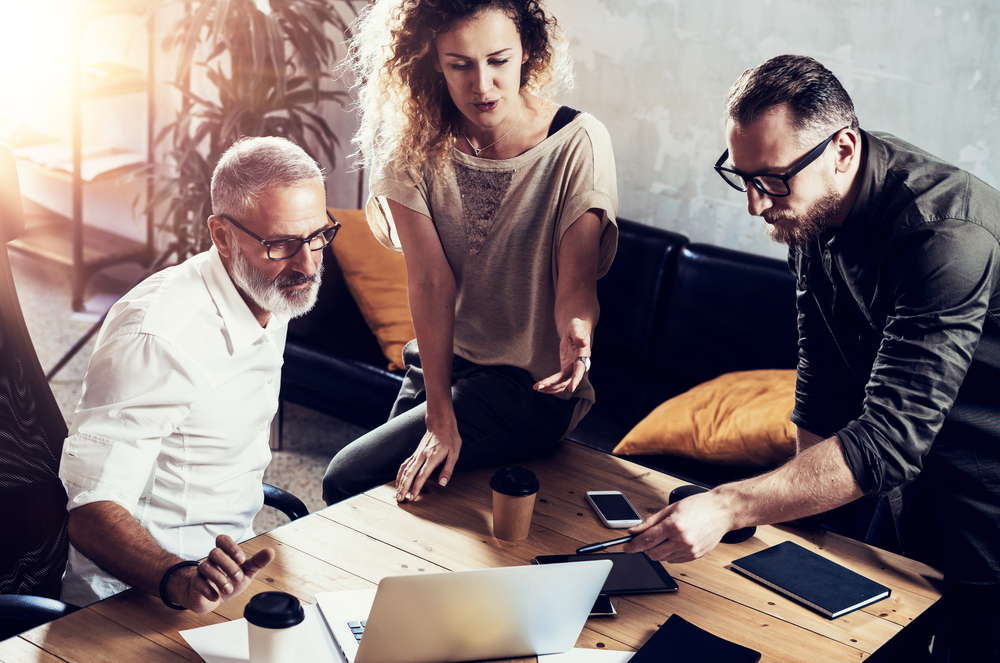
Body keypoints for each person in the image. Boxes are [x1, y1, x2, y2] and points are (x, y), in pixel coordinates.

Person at [624, 54, 1000, 661]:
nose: (754, 204)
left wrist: (729, 503)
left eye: (772, 179)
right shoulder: (810, 211)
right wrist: (796, 524)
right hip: (910, 479)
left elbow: (887, 441)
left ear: (843, 149)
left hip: (987, 492)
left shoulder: (943, 236)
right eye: (741, 176)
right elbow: (822, 380)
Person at [322, 0, 618, 505]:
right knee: (383, 504)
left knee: (345, 479)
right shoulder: (410, 143)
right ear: (432, 59)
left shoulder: (578, 142)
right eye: (460, 64)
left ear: (528, 51)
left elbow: (576, 286)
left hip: (527, 384)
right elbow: (432, 282)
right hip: (438, 365)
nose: (482, 85)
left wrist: (578, 332)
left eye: (498, 60)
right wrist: (439, 414)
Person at [59, 136, 337, 612]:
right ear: (223, 236)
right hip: (139, 595)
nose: (308, 263)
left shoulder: (272, 291)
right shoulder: (159, 337)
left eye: (317, 236)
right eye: (282, 244)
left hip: (235, 567)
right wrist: (178, 578)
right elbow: (89, 509)